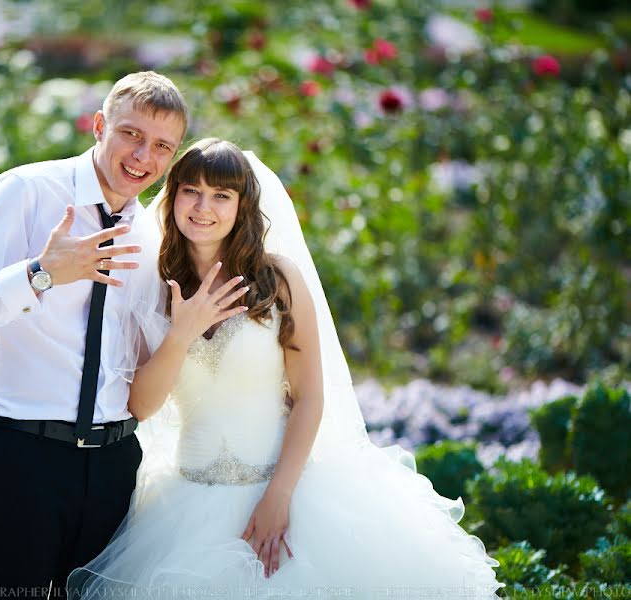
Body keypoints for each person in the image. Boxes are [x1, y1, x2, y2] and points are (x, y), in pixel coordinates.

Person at [68, 139, 505, 598]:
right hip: (184, 504)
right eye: (191, 191)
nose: (203, 207)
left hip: (285, 491)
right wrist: (180, 333)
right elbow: (140, 404)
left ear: (243, 206)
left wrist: (279, 497)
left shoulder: (277, 282)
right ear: (172, 196)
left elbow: (310, 396)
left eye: (221, 196)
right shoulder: (153, 286)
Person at [0, 71, 188, 598]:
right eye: (132, 134)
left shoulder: (155, 233)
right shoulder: (26, 191)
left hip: (115, 466)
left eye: (162, 146)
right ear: (99, 126)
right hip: (23, 459)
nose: (144, 156)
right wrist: (42, 274)